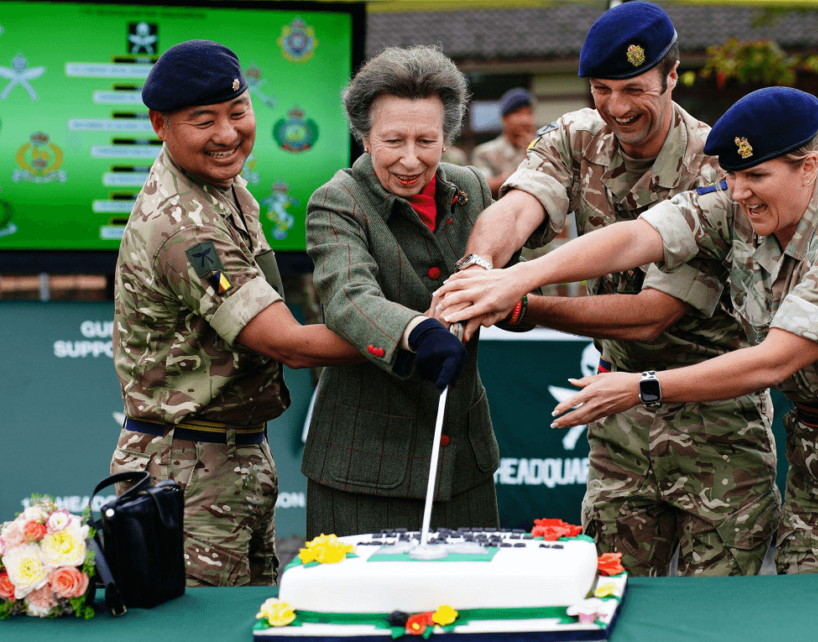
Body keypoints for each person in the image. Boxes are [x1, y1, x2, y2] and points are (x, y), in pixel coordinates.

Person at [438, 86, 818, 574]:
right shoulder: (736, 205)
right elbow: (634, 238)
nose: (739, 192)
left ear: (809, 166)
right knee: (809, 613)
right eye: (732, 175)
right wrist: (520, 278)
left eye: (757, 176)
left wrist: (641, 386)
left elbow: (772, 361)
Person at [440, 1, 780, 578]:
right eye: (601, 89)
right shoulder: (576, 136)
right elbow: (520, 204)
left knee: (716, 618)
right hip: (620, 428)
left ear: (672, 76)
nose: (616, 108)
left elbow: (652, 315)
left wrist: (525, 304)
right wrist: (478, 267)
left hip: (716, 426)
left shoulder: (717, 167)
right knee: (608, 598)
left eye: (634, 89)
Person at [110, 40, 363, 587]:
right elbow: (286, 343)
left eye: (238, 112)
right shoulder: (184, 224)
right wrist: (407, 334)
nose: (227, 134)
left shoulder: (223, 186)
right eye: (204, 120)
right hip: (188, 475)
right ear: (161, 124)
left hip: (229, 457)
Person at [302, 46, 503, 539]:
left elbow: (506, 274)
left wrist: (509, 297)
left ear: (447, 137)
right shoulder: (337, 201)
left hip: (465, 466)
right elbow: (348, 297)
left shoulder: (472, 187)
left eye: (426, 140)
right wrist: (418, 331)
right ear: (365, 137)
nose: (411, 159)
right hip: (364, 469)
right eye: (393, 140)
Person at [470, 88, 537, 198]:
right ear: (505, 119)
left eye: (529, 113)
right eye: (518, 113)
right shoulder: (484, 152)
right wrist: (525, 165)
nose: (525, 120)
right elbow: (483, 187)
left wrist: (536, 153)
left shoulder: (544, 149)